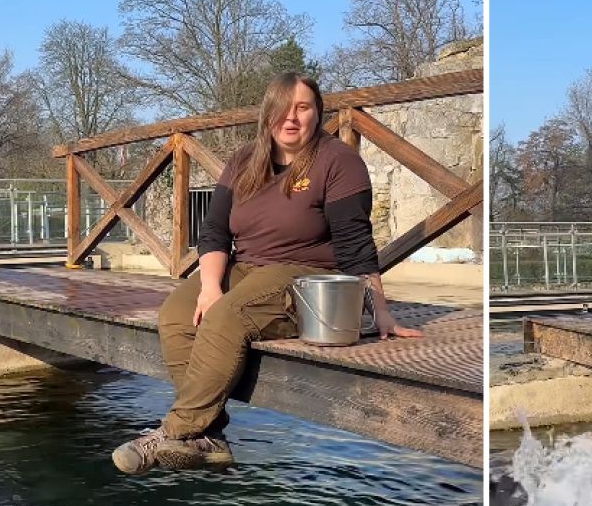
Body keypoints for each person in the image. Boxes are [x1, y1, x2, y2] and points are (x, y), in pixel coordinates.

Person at [112, 72, 422, 475]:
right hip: (245, 265)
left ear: (317, 114)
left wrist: (379, 309)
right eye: (282, 108)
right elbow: (215, 233)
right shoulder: (244, 160)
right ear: (267, 115)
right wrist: (209, 287)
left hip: (306, 274)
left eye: (303, 107)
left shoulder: (338, 160)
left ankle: (172, 432)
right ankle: (209, 434)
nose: (291, 118)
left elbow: (355, 242)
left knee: (227, 317)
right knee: (176, 313)